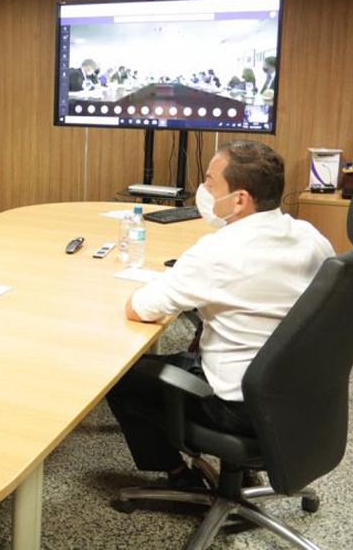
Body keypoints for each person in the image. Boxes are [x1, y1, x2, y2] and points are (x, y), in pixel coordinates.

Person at [106, 140, 334, 487]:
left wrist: (172, 278)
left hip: (236, 406)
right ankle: (239, 474)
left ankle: (180, 476)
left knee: (118, 376)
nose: (204, 190)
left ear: (239, 199)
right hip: (301, 396)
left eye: (210, 182)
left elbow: (138, 309)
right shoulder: (311, 237)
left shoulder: (218, 251)